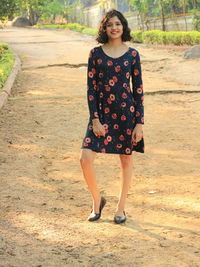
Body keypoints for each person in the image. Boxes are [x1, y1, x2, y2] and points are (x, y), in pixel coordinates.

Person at [80, 9, 144, 224]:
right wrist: (95, 119)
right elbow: (91, 89)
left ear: (123, 26)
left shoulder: (132, 54)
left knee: (125, 160)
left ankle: (121, 208)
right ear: (104, 28)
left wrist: (139, 123)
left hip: (126, 114)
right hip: (101, 115)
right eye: (110, 25)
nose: (114, 28)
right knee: (85, 159)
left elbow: (138, 90)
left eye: (118, 24)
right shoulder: (95, 54)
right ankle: (97, 201)